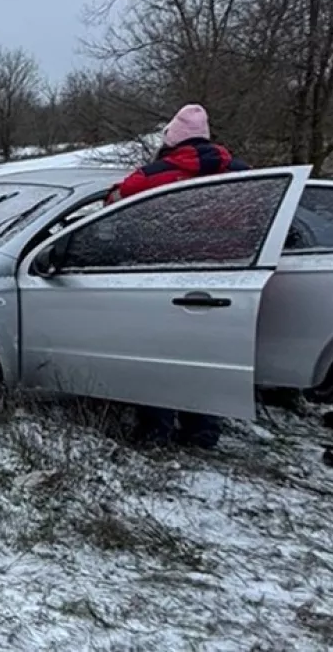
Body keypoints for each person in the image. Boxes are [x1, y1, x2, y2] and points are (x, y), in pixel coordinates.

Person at [109, 103, 249, 450]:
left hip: (165, 281)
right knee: (207, 358)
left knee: (158, 355)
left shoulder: (152, 176)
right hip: (229, 284)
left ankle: (155, 430)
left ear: (172, 139)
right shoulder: (244, 174)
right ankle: (202, 432)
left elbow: (114, 202)